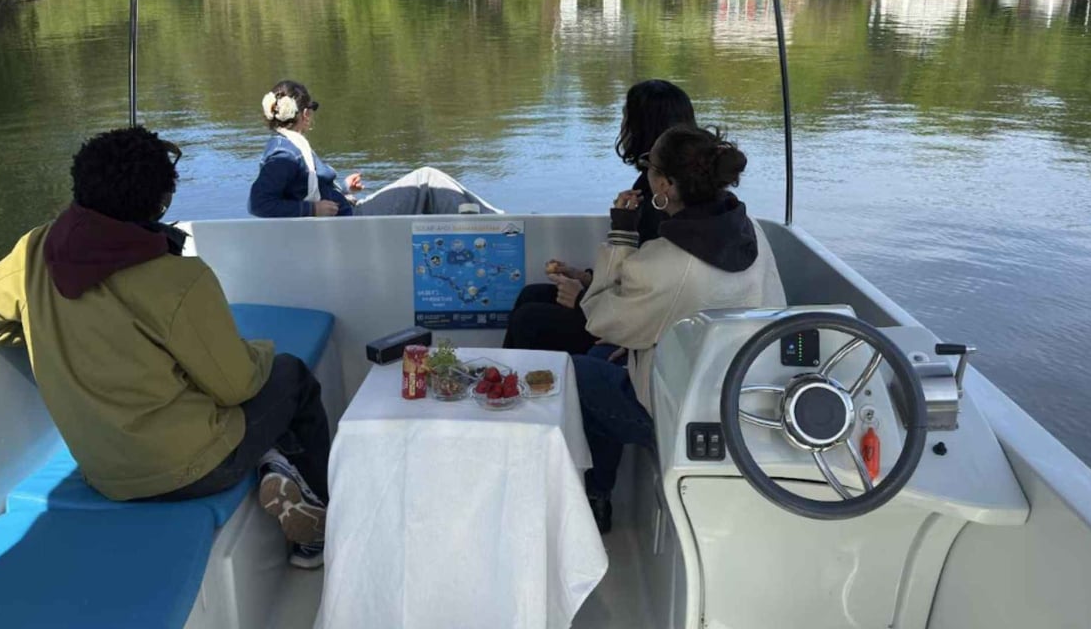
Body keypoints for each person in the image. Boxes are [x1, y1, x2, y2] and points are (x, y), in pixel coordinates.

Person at [0, 127, 330, 569]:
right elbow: (238, 386)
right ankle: (318, 530)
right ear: (160, 202)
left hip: (106, 474)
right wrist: (259, 350)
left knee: (203, 389)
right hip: (191, 468)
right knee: (290, 377)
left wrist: (48, 330)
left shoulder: (34, 250)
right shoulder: (178, 279)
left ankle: (273, 462)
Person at [573, 125, 786, 532]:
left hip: (687, 422)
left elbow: (599, 317)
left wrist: (621, 233)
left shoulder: (665, 261)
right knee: (604, 357)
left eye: (649, 166)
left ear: (665, 185)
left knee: (579, 372)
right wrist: (638, 347)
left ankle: (595, 497)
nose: (646, 172)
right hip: (745, 397)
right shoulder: (750, 230)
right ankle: (598, 492)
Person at [502, 79, 696, 354]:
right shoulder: (670, 187)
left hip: (642, 324)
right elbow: (636, 272)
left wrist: (583, 297)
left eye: (626, 118)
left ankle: (523, 391)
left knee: (529, 321)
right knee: (531, 295)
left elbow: (653, 288)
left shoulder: (660, 199)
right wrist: (584, 277)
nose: (622, 127)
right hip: (635, 307)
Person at [248, 80, 499, 218]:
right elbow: (258, 204)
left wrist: (343, 187)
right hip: (354, 221)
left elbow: (304, 186)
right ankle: (492, 223)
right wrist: (311, 210)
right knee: (426, 179)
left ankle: (488, 219)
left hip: (351, 211)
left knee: (427, 180)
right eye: (310, 112)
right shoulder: (285, 155)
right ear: (305, 114)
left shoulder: (288, 145)